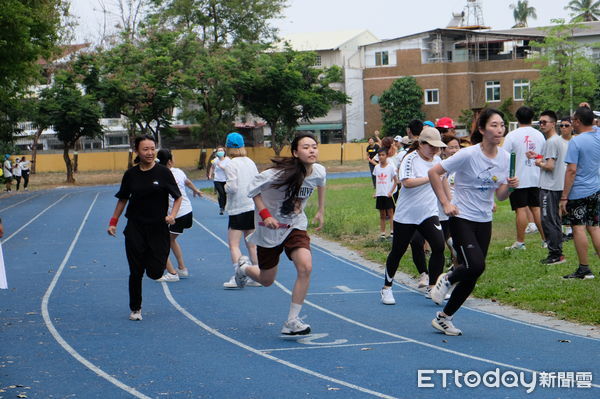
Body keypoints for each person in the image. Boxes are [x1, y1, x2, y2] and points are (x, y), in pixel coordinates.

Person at [428, 109, 519, 335]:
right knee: (476, 265)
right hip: (462, 216)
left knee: (473, 271)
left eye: (501, 125)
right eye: (494, 125)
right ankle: (449, 277)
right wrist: (446, 203)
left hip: (484, 219)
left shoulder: (506, 158)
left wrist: (510, 187)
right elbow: (433, 173)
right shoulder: (468, 154)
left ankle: (444, 317)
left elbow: (500, 195)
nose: (499, 130)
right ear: (481, 129)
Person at [234, 133, 326, 336]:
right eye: (306, 147)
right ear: (295, 152)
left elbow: (321, 184)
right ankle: (244, 269)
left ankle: (292, 321)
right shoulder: (277, 174)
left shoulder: (318, 170)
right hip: (270, 229)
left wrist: (320, 210)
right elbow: (252, 190)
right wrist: (266, 215)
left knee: (306, 266)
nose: (312, 150)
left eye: (314, 146)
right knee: (267, 280)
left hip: (295, 226)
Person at [107, 135, 182, 321]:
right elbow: (123, 199)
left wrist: (172, 215)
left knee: (155, 272)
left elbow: (177, 197)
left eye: (152, 148)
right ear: (137, 152)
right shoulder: (131, 175)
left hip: (158, 228)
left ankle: (152, 262)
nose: (149, 152)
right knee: (135, 271)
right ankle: (135, 308)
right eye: (145, 149)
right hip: (135, 227)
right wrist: (113, 222)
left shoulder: (164, 172)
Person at [380, 127, 447, 305]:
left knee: (439, 246)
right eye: (431, 146)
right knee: (398, 251)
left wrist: (448, 202)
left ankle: (432, 287)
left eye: (437, 147)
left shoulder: (438, 160)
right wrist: (431, 177)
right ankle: (387, 288)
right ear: (421, 144)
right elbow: (407, 183)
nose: (434, 150)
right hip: (407, 215)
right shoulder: (410, 159)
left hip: (429, 213)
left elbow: (444, 180)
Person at [559, 106, 599, 279]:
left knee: (578, 229)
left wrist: (564, 196)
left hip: (579, 192)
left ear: (578, 122)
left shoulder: (576, 141)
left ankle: (584, 269)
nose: (572, 123)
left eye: (574, 120)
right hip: (596, 189)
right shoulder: (598, 135)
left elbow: (571, 171)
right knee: (595, 228)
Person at [501, 106, 546, 250]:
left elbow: (504, 156)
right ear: (532, 118)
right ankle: (546, 240)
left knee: (520, 209)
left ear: (517, 118)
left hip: (517, 178)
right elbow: (543, 155)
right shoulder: (539, 135)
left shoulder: (512, 135)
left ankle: (520, 242)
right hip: (536, 177)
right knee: (536, 208)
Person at [155, 149, 203, 282]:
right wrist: (196, 190)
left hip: (177, 214)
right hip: (187, 211)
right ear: (170, 161)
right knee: (170, 240)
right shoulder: (179, 171)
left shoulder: (161, 175)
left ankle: (173, 273)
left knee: (160, 242)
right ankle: (182, 269)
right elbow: (187, 182)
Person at [528, 110, 568, 265]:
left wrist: (539, 163)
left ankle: (555, 254)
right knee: (554, 219)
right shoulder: (558, 140)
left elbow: (550, 166)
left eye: (545, 122)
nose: (542, 125)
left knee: (548, 220)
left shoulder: (551, 142)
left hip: (549, 187)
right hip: (556, 185)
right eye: (540, 122)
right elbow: (553, 162)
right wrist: (537, 157)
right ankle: (557, 252)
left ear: (553, 123)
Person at [221, 132, 261, 289]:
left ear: (227, 147)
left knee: (233, 244)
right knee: (252, 244)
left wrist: (223, 187)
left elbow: (232, 187)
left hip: (238, 208)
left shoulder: (230, 164)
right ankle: (256, 276)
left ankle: (239, 274)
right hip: (252, 206)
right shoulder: (250, 162)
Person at [372, 147, 397, 240]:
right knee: (382, 215)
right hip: (380, 195)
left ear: (387, 156)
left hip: (387, 195)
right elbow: (377, 181)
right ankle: (382, 234)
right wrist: (375, 192)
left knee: (391, 214)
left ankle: (392, 233)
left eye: (383, 155)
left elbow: (395, 181)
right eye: (379, 155)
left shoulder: (390, 167)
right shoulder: (376, 167)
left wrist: (391, 192)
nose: (381, 157)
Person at [208, 146, 230, 215]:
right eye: (219, 151)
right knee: (221, 193)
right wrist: (210, 175)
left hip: (225, 179)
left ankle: (224, 206)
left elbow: (228, 169)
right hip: (217, 179)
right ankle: (221, 207)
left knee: (224, 194)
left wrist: (221, 166)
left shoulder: (228, 160)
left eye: (221, 150)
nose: (220, 152)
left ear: (224, 152)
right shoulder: (215, 160)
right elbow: (212, 168)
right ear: (217, 152)